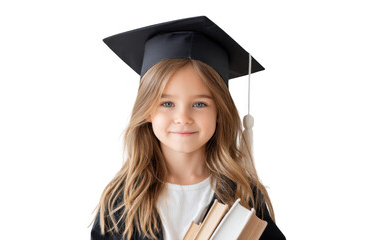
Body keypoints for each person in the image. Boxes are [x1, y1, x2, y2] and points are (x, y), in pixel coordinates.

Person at [90, 16, 285, 240]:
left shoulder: (243, 195)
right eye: (167, 104)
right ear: (146, 111)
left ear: (220, 112)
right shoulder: (121, 201)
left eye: (199, 104)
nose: (183, 117)